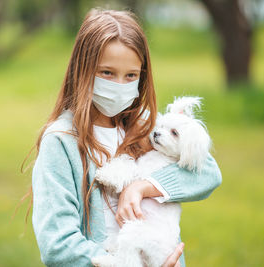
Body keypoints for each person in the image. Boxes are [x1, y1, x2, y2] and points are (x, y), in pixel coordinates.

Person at [30, 8, 222, 267]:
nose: (119, 85)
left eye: (130, 75)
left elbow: (208, 172)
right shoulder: (61, 142)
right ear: (82, 70)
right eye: (107, 73)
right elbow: (58, 244)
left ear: (142, 76)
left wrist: (140, 187)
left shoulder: (144, 125)